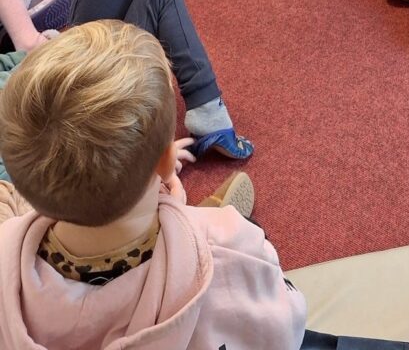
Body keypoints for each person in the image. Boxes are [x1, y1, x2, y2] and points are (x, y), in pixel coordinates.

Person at [0, 19, 306, 350]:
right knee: (245, 226)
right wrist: (184, 221)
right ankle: (197, 212)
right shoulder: (229, 249)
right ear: (166, 161)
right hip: (204, 251)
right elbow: (286, 327)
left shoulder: (6, 258)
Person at [0, 0, 253, 180]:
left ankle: (209, 114)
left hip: (47, 80)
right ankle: (209, 115)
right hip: (71, 114)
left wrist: (34, 50)